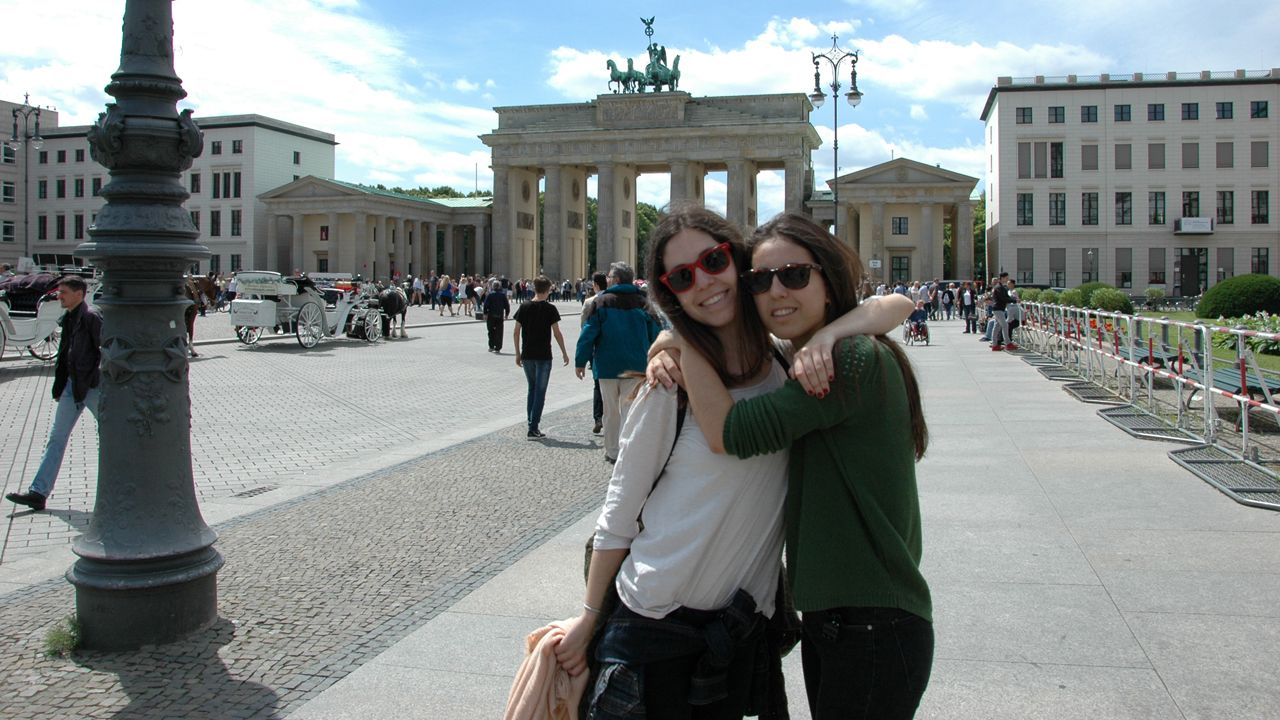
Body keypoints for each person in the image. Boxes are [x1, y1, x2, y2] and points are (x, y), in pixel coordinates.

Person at [554, 206, 910, 717]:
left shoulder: (790, 367)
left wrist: (832, 333)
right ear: (669, 292)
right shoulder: (669, 386)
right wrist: (590, 616)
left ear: (738, 265)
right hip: (654, 629)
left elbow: (893, 304)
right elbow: (620, 507)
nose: (703, 282)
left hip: (742, 634)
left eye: (714, 261)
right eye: (681, 277)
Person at [676, 213, 933, 720]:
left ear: (829, 281)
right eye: (758, 280)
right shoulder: (824, 352)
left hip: (869, 624)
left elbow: (729, 433)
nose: (775, 291)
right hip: (853, 620)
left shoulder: (847, 361)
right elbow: (894, 305)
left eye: (794, 274)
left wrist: (683, 337)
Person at [7, 276, 103, 513]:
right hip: (72, 386)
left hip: (92, 386)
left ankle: (115, 491)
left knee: (111, 439)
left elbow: (106, 350)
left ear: (79, 294)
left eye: (63, 292)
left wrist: (94, 378)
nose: (58, 296)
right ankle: (38, 492)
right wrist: (59, 386)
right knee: (56, 439)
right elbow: (64, 354)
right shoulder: (69, 318)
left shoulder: (92, 316)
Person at [574, 261, 662, 463]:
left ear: (617, 279)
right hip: (635, 366)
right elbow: (656, 333)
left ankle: (612, 450)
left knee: (610, 411)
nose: (607, 279)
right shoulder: (644, 301)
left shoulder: (601, 301)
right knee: (630, 410)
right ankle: (628, 448)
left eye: (610, 276)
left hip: (607, 366)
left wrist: (580, 361)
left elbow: (588, 333)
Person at [512, 276, 569, 439]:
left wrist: (517, 353)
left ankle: (531, 423)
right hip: (544, 355)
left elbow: (516, 332)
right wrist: (564, 352)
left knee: (532, 388)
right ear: (548, 289)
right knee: (540, 392)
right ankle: (533, 427)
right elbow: (557, 333)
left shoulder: (524, 306)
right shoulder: (550, 309)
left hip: (527, 354)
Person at [580, 272, 609, 436]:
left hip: (595, 349)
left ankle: (598, 417)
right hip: (611, 347)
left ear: (595, 285)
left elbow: (584, 328)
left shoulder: (589, 302)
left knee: (597, 384)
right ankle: (609, 416)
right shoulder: (614, 300)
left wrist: (581, 358)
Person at [483, 279, 511, 353]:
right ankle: (498, 347)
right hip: (499, 315)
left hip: (491, 315)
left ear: (493, 286)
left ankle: (491, 346)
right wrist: (507, 314)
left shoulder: (490, 295)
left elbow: (486, 305)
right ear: (499, 287)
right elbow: (507, 306)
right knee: (499, 331)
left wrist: (485, 314)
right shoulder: (502, 295)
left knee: (491, 331)